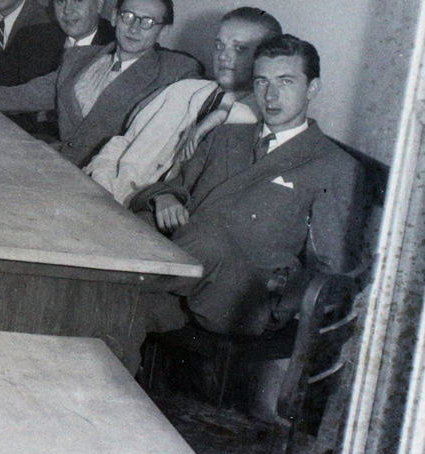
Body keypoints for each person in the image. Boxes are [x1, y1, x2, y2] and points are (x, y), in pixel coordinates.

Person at [138, 35, 362, 338]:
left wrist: (275, 309)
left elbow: (329, 268)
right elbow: (176, 183)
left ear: (312, 88)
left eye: (285, 82)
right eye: (261, 82)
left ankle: (122, 279)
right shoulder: (225, 137)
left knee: (204, 240)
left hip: (242, 296)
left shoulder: (333, 165)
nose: (270, 96)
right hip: (184, 278)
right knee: (121, 310)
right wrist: (165, 197)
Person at [0, 0, 203, 167]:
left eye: (147, 22)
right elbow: (29, 93)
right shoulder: (81, 58)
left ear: (164, 32)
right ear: (114, 16)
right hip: (54, 159)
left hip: (101, 182)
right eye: (128, 16)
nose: (134, 27)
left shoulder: (173, 72)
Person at [87, 7, 281, 204]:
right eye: (219, 45)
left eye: (239, 49)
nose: (223, 56)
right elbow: (123, 142)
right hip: (106, 193)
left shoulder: (258, 125)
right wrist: (101, 181)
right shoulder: (181, 90)